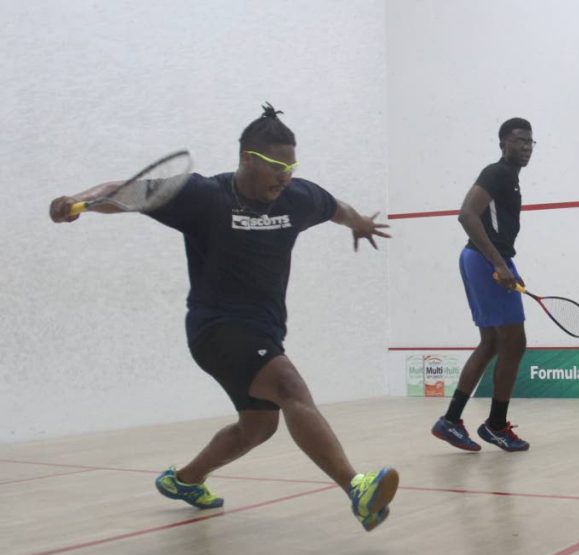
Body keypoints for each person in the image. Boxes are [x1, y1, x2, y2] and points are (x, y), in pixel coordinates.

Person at [48, 104, 398, 531]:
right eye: (275, 165)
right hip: (215, 328)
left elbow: (334, 207)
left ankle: (185, 480)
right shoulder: (203, 196)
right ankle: (357, 489)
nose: (284, 175)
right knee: (289, 387)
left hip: (264, 327)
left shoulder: (298, 197)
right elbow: (124, 190)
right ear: (248, 158)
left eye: (291, 165)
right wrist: (78, 201)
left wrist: (359, 223)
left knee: (258, 426)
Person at [431, 117, 535, 453]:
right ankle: (495, 425)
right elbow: (466, 214)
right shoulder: (497, 173)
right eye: (518, 140)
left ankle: (452, 420)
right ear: (502, 142)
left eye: (530, 141)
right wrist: (500, 264)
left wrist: (507, 265)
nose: (525, 146)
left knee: (492, 342)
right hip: (483, 261)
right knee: (514, 342)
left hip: (486, 260)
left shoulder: (511, 180)